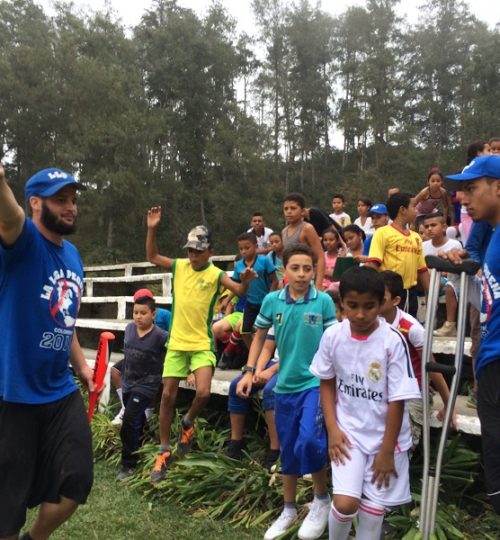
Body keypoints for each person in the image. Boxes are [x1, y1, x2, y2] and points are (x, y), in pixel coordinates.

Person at [0, 166, 94, 540]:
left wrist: (82, 366)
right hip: (14, 394)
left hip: (59, 390)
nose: (70, 207)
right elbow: (9, 217)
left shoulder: (72, 256)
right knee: (7, 506)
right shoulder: (22, 244)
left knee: (76, 483)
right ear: (35, 203)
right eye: (60, 199)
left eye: (73, 199)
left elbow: (64, 321)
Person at [146, 207, 256, 483]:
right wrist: (152, 229)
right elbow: (151, 257)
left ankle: (187, 422)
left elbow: (239, 291)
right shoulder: (179, 266)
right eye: (190, 250)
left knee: (204, 392)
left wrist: (245, 282)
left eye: (198, 251)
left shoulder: (216, 274)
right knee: (168, 395)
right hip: (176, 343)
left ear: (210, 251)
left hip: (201, 342)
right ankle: (164, 450)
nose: (193, 256)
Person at [310, 266, 420, 540]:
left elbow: (397, 400)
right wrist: (333, 430)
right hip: (349, 434)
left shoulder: (392, 341)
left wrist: (385, 451)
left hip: (386, 440)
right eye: (352, 306)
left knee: (372, 512)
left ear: (382, 303)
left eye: (369, 306)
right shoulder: (333, 336)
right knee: (345, 504)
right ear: (342, 303)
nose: (360, 314)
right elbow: (326, 382)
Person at [238, 243, 336, 540]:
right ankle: (289, 508)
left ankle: (321, 499)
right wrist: (249, 371)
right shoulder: (271, 301)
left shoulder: (323, 302)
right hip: (284, 387)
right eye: (296, 268)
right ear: (284, 271)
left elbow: (333, 343)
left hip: (314, 384)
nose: (302, 274)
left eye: (308, 268)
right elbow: (259, 339)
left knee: (309, 440)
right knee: (288, 448)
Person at [441, 154, 500, 513]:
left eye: (471, 188)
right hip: (491, 359)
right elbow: (477, 257)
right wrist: (466, 254)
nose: (463, 198)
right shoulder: (491, 232)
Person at [379, 270, 455, 430]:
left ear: (396, 300)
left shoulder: (411, 328)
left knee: (405, 429)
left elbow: (431, 367)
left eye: (382, 298)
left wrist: (449, 404)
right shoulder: (371, 322)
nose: (376, 301)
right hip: (382, 386)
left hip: (412, 391)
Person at [117, 289, 168, 480]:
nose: (138, 317)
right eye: (136, 312)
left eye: (143, 313)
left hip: (147, 385)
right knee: (136, 419)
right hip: (128, 382)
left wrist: (188, 372)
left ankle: (128, 464)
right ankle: (145, 443)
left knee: (128, 420)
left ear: (153, 314)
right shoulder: (129, 328)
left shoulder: (161, 336)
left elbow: (174, 354)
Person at [366, 192, 429, 318]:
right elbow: (372, 265)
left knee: (408, 329)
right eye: (413, 207)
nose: (416, 210)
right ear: (402, 210)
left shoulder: (416, 237)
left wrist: (433, 294)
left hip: (410, 294)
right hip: (389, 294)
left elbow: (422, 270)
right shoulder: (382, 233)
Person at [226, 327, 280, 471]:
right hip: (275, 362)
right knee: (237, 386)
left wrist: (271, 371)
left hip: (296, 364)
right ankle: (236, 443)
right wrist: (258, 371)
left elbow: (301, 354)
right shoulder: (279, 309)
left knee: (271, 391)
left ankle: (275, 450)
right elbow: (268, 348)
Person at [233, 232, 278, 350]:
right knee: (245, 331)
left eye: (247, 248)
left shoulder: (264, 261)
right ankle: (254, 354)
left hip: (266, 302)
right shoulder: (238, 265)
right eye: (241, 249)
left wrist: (270, 296)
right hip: (251, 303)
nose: (243, 251)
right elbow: (236, 285)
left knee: (267, 330)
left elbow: (274, 280)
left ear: (255, 246)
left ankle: (269, 355)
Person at [422, 213, 462, 337]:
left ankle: (448, 324)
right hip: (431, 283)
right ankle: (429, 321)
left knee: (441, 283)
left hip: (452, 283)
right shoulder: (423, 246)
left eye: (433, 225)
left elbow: (455, 270)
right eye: (427, 226)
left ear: (444, 227)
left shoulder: (454, 245)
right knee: (430, 283)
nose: (429, 229)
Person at [282, 193, 325, 290]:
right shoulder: (284, 231)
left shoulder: (307, 228)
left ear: (302, 211)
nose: (289, 212)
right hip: (291, 279)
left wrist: (319, 284)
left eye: (293, 208)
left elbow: (320, 257)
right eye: (286, 209)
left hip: (306, 277)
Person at [322, 227, 345, 291]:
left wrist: (326, 273)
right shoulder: (321, 256)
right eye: (325, 240)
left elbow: (341, 276)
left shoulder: (342, 256)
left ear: (337, 241)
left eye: (331, 240)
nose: (328, 242)